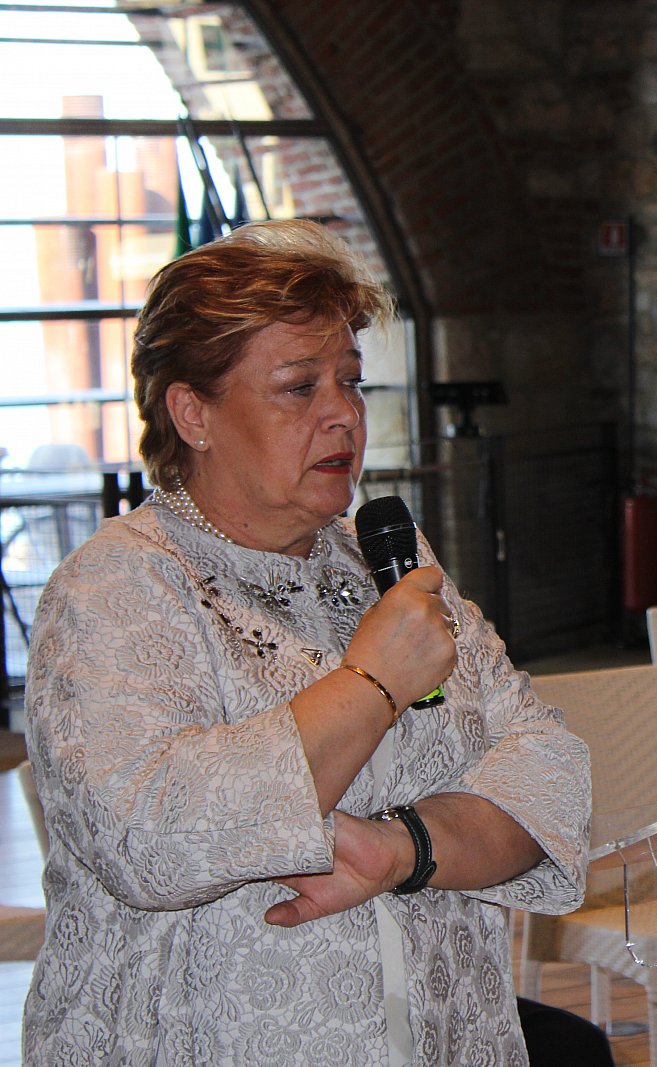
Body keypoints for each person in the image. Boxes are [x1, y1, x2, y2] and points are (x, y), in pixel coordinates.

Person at [22, 220, 594, 1065]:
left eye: (351, 382)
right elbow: (153, 836)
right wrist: (372, 682)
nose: (343, 414)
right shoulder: (119, 585)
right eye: (299, 387)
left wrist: (404, 848)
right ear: (193, 413)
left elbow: (549, 770)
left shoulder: (387, 562)